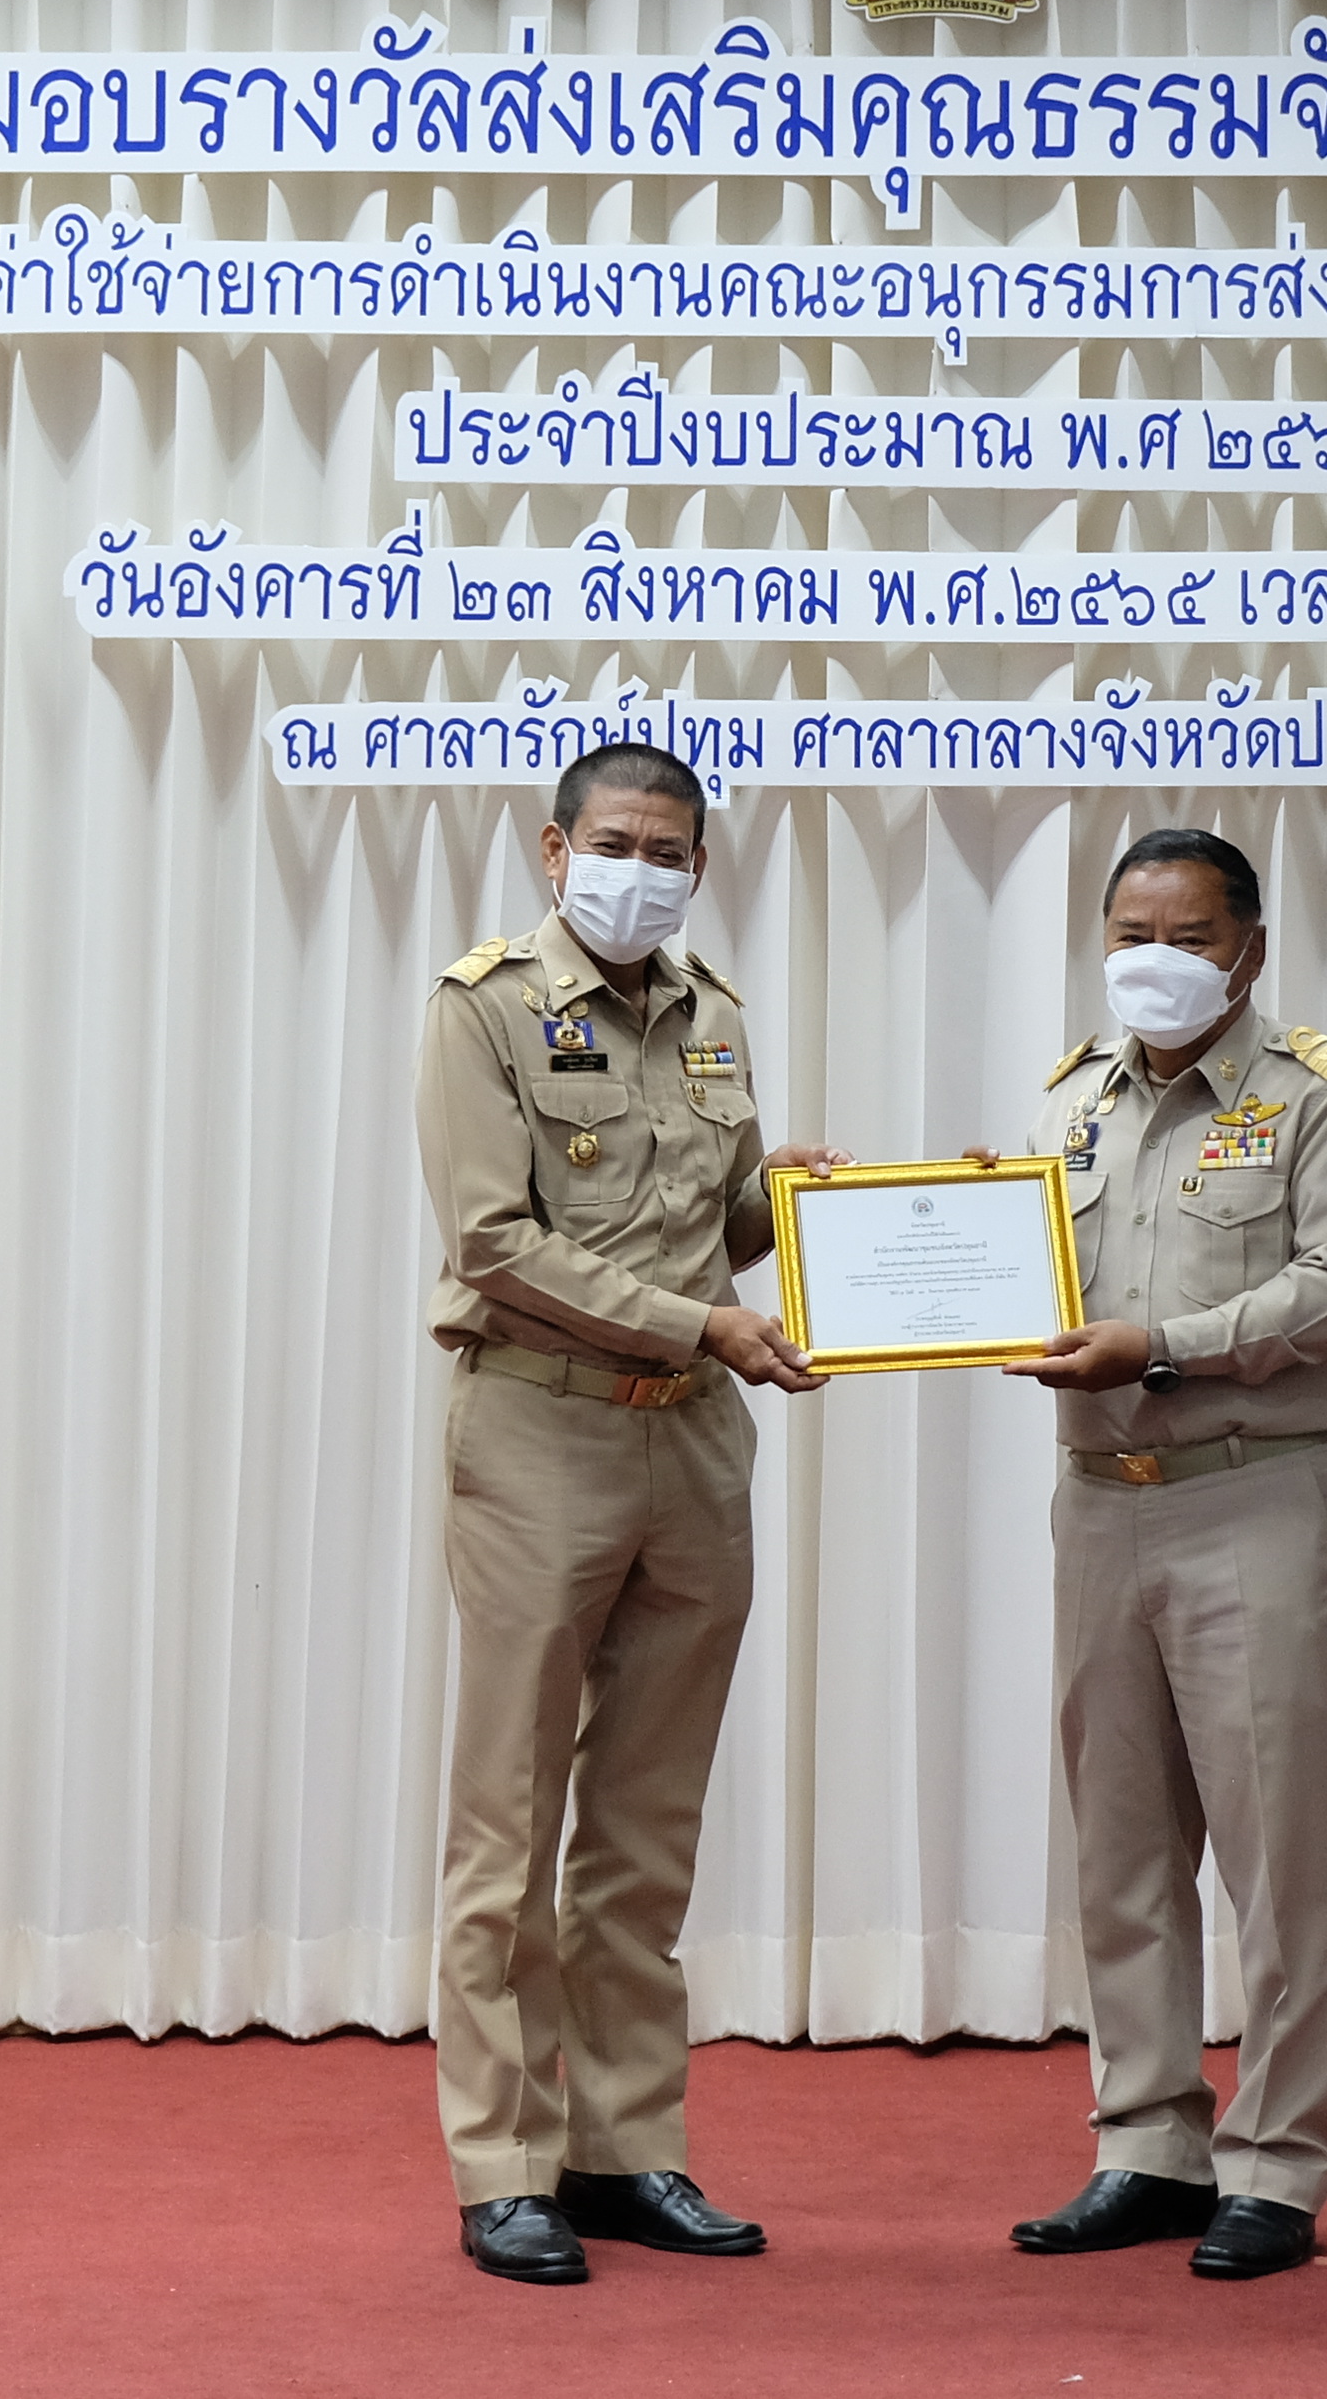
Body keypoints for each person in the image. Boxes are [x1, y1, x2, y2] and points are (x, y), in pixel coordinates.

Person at [416, 741, 843, 2287]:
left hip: (694, 1448)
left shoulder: (712, 1011)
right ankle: (502, 2159)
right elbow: (492, 1239)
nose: (640, 866)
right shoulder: (482, 1007)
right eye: (616, 839)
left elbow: (706, 1219)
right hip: (541, 1429)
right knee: (509, 1822)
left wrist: (787, 1203)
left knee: (647, 1830)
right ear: (552, 847)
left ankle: (622, 2146)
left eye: (670, 847)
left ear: (699, 866)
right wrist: (701, 1321)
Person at [1001, 826, 1327, 2281]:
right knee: (1122, 1844)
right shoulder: (1076, 1101)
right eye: (1126, 935)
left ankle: (1278, 2164)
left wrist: (1161, 1344)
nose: (1150, 963)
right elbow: (1025, 1265)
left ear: (1248, 949)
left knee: (1273, 1846)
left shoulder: (1321, 1094)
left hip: (1255, 1490)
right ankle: (1147, 2144)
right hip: (1102, 1495)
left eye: (1182, 935)